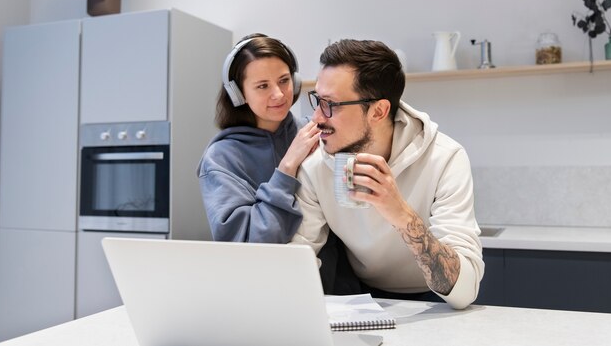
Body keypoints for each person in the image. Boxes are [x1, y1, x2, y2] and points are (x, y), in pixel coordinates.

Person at [291, 39, 484, 309]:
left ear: (378, 111)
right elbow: (300, 257)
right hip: (359, 295)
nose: (316, 118)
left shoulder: (444, 158)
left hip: (438, 298)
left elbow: (464, 292)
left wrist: (400, 214)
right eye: (317, 100)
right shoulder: (315, 166)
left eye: (330, 104)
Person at [197, 34, 321, 243]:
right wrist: (287, 168)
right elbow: (247, 243)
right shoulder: (221, 158)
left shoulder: (311, 132)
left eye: (284, 80)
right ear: (238, 93)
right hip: (267, 273)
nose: (279, 95)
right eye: (263, 86)